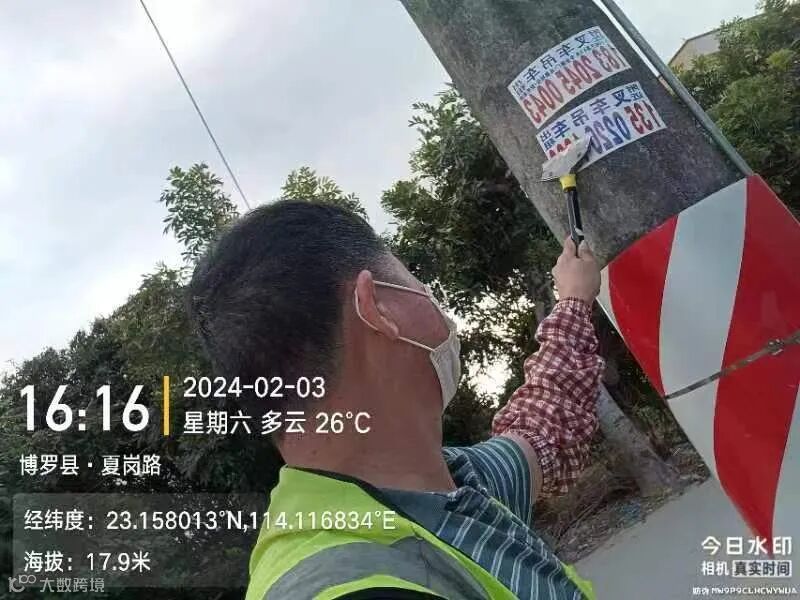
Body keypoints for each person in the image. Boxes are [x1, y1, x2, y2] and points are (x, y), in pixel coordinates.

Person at [187, 200, 604, 600]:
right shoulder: (345, 584)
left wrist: (573, 299)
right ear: (376, 307)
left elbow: (543, 429)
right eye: (416, 283)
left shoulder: (450, 489)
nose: (432, 300)